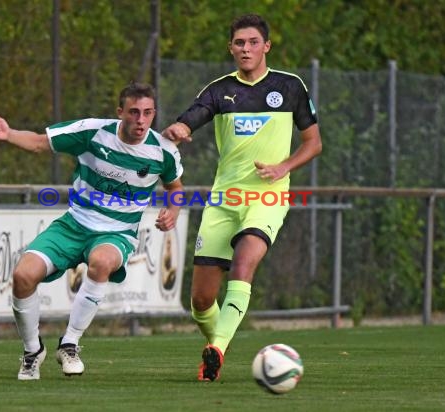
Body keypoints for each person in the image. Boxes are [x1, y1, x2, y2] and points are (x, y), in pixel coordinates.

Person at [162, 14, 322, 381]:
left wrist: (285, 167)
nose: (245, 49)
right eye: (239, 43)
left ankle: (216, 349)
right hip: (223, 201)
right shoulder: (220, 90)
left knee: (244, 263)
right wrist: (181, 126)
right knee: (201, 301)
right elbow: (194, 115)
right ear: (231, 48)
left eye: (253, 42)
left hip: (267, 197)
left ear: (266, 46)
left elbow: (314, 143)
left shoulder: (290, 86)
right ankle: (217, 341)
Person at [0, 82, 184, 380]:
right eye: (133, 112)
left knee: (102, 262)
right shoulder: (92, 132)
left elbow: (175, 187)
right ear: (120, 113)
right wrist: (9, 134)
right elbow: (42, 143)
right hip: (73, 224)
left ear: (154, 114)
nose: (141, 120)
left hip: (116, 233)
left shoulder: (163, 151)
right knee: (22, 276)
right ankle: (32, 352)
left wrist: (174, 210)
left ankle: (69, 344)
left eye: (147, 113)